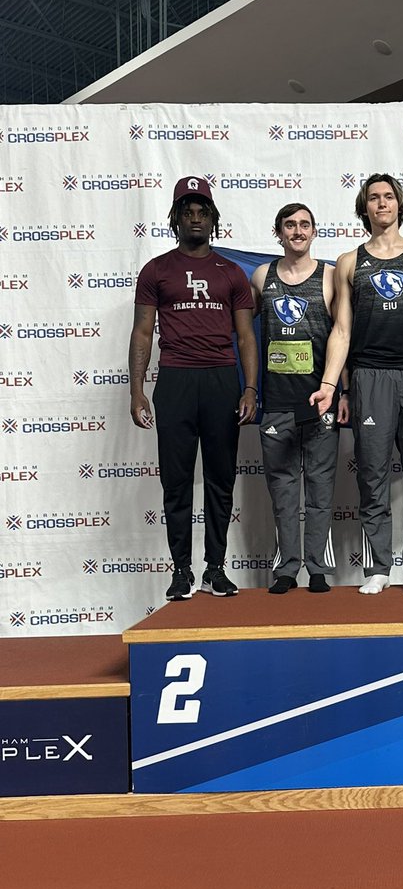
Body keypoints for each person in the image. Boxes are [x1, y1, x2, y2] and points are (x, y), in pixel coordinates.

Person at [309, 173, 403, 595]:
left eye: (388, 197)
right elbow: (341, 331)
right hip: (369, 378)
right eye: (373, 198)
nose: (381, 204)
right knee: (371, 477)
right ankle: (377, 567)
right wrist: (330, 383)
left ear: (399, 204)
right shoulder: (349, 262)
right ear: (364, 208)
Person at [129, 175, 258, 601]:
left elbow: (245, 338)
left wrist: (250, 388)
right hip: (176, 381)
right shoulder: (157, 270)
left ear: (214, 218)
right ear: (176, 219)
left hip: (221, 379)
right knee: (177, 482)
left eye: (203, 212)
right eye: (188, 212)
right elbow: (143, 333)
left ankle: (215, 569)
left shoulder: (231, 273)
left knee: (221, 481)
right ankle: (181, 571)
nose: (196, 218)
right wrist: (136, 390)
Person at [251, 203, 340, 594]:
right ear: (279, 232)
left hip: (318, 400)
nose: (298, 231)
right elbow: (244, 334)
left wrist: (344, 391)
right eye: (290, 225)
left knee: (320, 488)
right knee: (283, 490)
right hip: (276, 402)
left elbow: (344, 336)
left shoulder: (332, 276)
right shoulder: (261, 276)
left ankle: (317, 568)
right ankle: (287, 568)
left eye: (305, 224)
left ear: (314, 231)